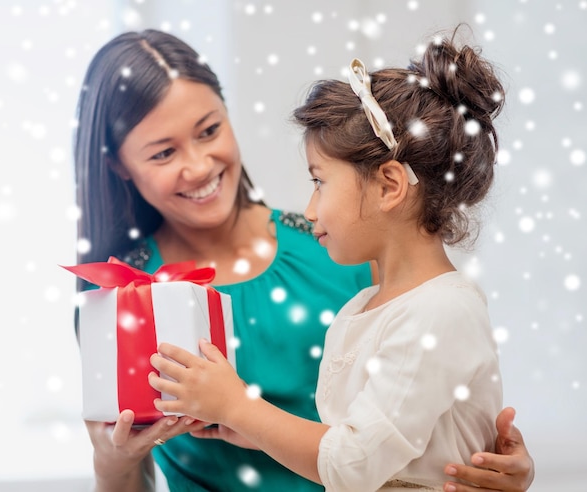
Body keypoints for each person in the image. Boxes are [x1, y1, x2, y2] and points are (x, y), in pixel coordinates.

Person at [72, 28, 534, 492]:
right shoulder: (122, 297)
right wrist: (110, 464)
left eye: (209, 130)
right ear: (119, 165)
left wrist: (494, 466)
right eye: (164, 152)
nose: (198, 165)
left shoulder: (345, 248)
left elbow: (426, 419)